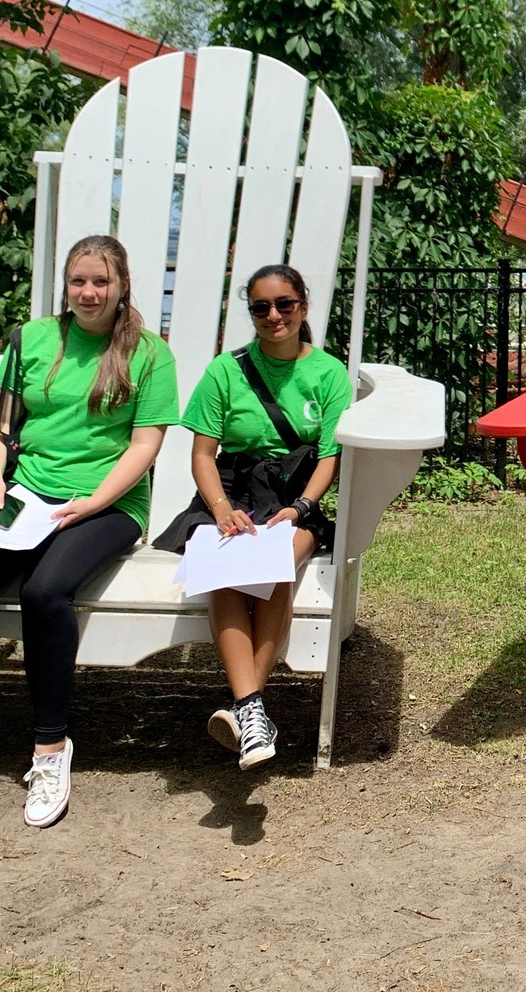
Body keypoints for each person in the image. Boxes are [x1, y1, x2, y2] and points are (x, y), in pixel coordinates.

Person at [0, 235, 177, 827]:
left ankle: (51, 749)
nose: (87, 292)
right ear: (66, 283)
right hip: (25, 492)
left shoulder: (150, 354)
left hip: (109, 504)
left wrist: (92, 502)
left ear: (122, 286)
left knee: (45, 591)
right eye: (78, 281)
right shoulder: (32, 339)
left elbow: (145, 445)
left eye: (100, 282)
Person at [154, 264, 354, 768]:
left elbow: (329, 456)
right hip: (231, 491)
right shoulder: (226, 369)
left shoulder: (329, 373)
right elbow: (202, 455)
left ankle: (245, 708)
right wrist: (220, 509)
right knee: (226, 577)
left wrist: (302, 508)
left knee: (276, 567)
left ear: (303, 308)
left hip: (293, 493)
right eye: (261, 307)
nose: (273, 315)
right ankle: (254, 712)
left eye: (284, 304)